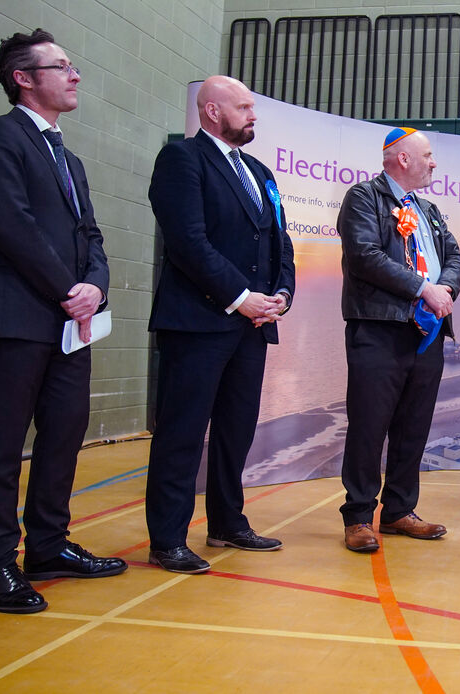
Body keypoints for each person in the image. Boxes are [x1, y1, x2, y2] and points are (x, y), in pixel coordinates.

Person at [0, 29, 125, 614]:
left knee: (64, 434)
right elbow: (11, 225)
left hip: (70, 322)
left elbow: (91, 235)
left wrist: (95, 286)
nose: (75, 75)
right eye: (61, 66)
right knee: (3, 444)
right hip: (16, 315)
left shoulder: (69, 159)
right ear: (23, 79)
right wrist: (68, 291)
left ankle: (48, 546)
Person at [145, 75, 296, 573]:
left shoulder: (259, 171)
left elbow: (279, 241)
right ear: (212, 111)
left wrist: (281, 294)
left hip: (252, 326)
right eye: (244, 107)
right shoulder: (182, 159)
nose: (254, 115)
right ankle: (168, 539)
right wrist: (241, 297)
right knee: (182, 433)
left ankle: (228, 522)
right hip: (198, 323)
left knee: (236, 431)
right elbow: (188, 242)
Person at [337, 127, 460, 553]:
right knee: (368, 427)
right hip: (379, 330)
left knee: (413, 427)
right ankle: (358, 516)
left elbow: (455, 257)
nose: (434, 163)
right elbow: (365, 256)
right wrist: (423, 288)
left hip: (427, 334)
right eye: (427, 156)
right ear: (403, 159)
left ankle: (398, 511)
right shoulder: (363, 198)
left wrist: (444, 289)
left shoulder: (429, 209)